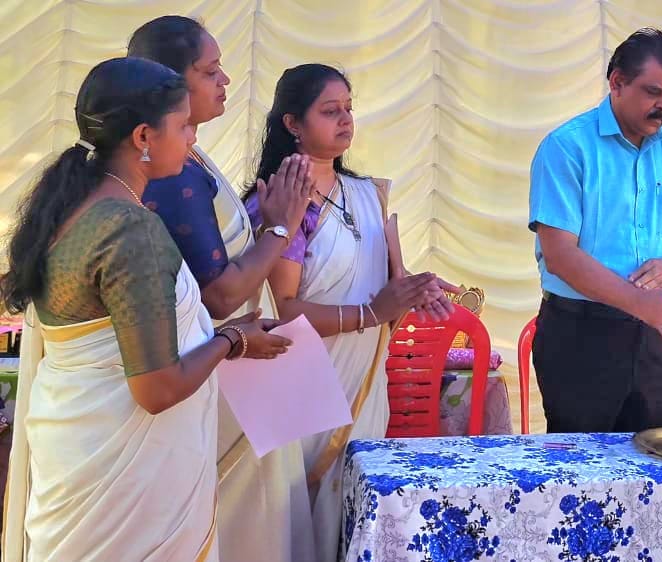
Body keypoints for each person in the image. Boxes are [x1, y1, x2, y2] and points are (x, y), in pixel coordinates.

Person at [0, 57, 288, 562]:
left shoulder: (75, 208)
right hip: (125, 483)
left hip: (77, 454)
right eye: (183, 126)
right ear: (143, 137)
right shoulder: (130, 230)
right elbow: (157, 390)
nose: (192, 140)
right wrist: (233, 339)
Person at [244, 63, 455, 560]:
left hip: (363, 381)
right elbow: (281, 309)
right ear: (293, 123)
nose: (345, 120)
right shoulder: (281, 203)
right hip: (300, 386)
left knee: (352, 510)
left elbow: (386, 284)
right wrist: (370, 313)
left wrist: (415, 289)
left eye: (348, 109)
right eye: (329, 111)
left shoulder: (365, 195)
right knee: (301, 517)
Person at [127, 16, 316, 562]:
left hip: (238, 356)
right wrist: (280, 228)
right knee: (245, 518)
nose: (225, 80)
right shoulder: (174, 173)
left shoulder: (191, 158)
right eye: (210, 71)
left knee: (262, 507)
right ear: (170, 83)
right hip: (217, 364)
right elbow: (219, 296)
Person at [528, 28, 662, 433]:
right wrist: (639, 302)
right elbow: (559, 256)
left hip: (658, 338)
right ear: (617, 82)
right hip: (581, 336)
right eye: (653, 93)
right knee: (581, 464)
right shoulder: (567, 147)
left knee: (653, 458)